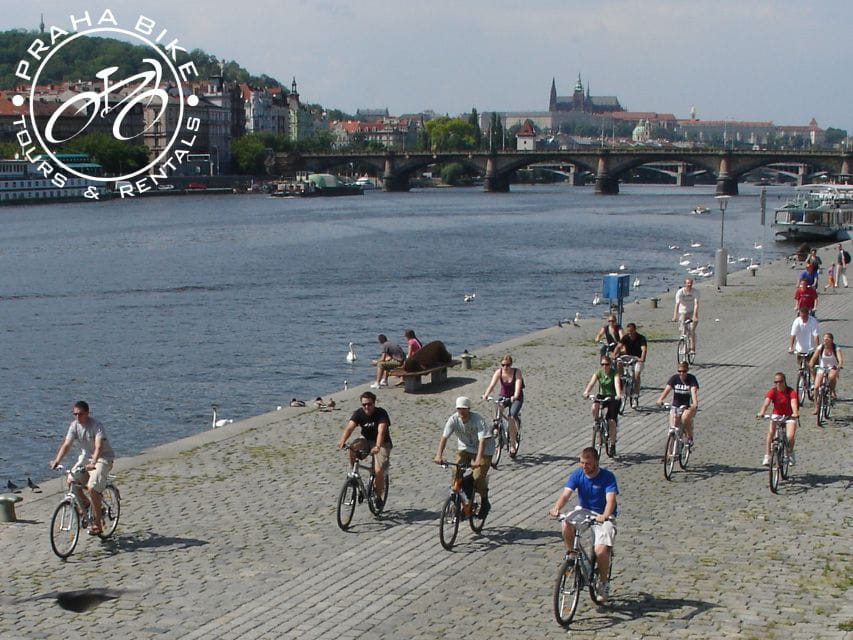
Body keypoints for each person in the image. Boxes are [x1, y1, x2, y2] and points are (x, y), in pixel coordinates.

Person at [548, 447, 618, 603]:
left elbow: (611, 500)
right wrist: (557, 508)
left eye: (588, 463)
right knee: (566, 523)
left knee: (600, 551)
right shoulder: (578, 474)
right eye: (582, 463)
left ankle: (604, 583)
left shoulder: (608, 477)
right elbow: (566, 494)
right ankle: (573, 555)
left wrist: (605, 516)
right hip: (584, 511)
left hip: (603, 515)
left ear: (596, 463)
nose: (584, 466)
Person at [48, 401, 116, 535]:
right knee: (71, 480)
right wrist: (57, 460)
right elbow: (67, 444)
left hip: (102, 458)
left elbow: (99, 446)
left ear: (87, 413)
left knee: (92, 488)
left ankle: (98, 524)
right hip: (85, 458)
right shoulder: (74, 426)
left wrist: (94, 462)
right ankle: (86, 504)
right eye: (75, 414)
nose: (77, 417)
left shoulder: (96, 426)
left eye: (80, 414)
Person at [433, 396, 494, 518]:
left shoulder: (477, 420)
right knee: (456, 470)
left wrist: (477, 460)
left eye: (464, 409)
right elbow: (444, 437)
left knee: (478, 476)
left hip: (484, 450)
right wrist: (438, 455)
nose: (461, 411)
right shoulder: (453, 420)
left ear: (469, 409)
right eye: (459, 409)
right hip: (465, 448)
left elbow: (483, 441)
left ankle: (484, 501)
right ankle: (456, 500)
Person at [337, 391, 391, 508]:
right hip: (366, 440)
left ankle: (378, 496)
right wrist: (342, 441)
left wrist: (377, 446)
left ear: (374, 403)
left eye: (369, 404)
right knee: (352, 448)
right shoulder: (359, 413)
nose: (366, 407)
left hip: (382, 443)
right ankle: (354, 474)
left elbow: (381, 432)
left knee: (378, 470)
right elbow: (349, 428)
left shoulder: (381, 413)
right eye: (364, 404)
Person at [482, 354, 524, 456]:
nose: (505, 367)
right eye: (503, 365)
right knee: (497, 412)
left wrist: (515, 395)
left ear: (511, 364)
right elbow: (492, 385)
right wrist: (486, 395)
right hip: (504, 396)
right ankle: (497, 429)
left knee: (511, 417)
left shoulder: (517, 372)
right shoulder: (499, 372)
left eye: (507, 365)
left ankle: (513, 445)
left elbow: (518, 386)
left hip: (516, 398)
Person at [582, 356, 622, 457]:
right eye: (602, 364)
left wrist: (618, 394)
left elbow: (617, 384)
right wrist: (587, 392)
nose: (605, 366)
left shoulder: (614, 373)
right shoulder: (599, 373)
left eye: (607, 364)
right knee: (594, 407)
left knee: (611, 421)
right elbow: (591, 383)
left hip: (613, 397)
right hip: (602, 395)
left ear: (610, 364)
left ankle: (612, 444)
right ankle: (598, 422)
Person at [756, 372, 799, 466]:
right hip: (776, 415)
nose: (778, 384)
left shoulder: (791, 391)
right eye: (776, 382)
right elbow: (766, 402)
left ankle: (790, 453)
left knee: (790, 436)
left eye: (780, 381)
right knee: (771, 433)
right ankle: (767, 456)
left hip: (789, 415)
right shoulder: (773, 391)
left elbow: (793, 402)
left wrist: (795, 412)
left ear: (784, 381)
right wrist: (762, 412)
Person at [656, 362, 699, 446]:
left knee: (685, 418)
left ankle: (689, 437)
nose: (681, 373)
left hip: (687, 406)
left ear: (687, 370)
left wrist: (694, 404)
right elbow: (667, 390)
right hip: (676, 405)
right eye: (679, 371)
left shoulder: (691, 379)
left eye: (684, 371)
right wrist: (660, 399)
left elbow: (693, 391)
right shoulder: (674, 378)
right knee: (673, 428)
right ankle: (669, 454)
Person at [614, 322, 648, 400]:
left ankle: (635, 394)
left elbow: (644, 350)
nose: (629, 334)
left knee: (636, 376)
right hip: (628, 356)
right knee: (619, 363)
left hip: (637, 358)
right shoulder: (626, 337)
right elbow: (618, 346)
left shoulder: (641, 338)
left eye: (631, 332)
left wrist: (642, 359)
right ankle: (622, 378)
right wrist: (614, 355)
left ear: (635, 330)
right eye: (628, 332)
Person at [810, 332, 843, 407]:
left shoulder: (836, 348)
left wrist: (839, 365)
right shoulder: (820, 347)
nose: (825, 340)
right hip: (822, 368)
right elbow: (814, 357)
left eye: (827, 339)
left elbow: (840, 359)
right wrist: (811, 363)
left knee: (831, 377)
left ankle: (832, 390)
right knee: (816, 387)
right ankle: (816, 405)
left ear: (831, 340)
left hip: (832, 367)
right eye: (824, 339)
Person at [673, 277, 699, 354]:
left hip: (692, 311)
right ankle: (684, 348)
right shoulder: (680, 292)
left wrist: (695, 316)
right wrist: (675, 315)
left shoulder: (695, 292)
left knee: (691, 330)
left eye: (690, 283)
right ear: (684, 284)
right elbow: (677, 304)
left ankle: (692, 348)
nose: (689, 284)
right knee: (683, 330)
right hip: (683, 312)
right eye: (688, 283)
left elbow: (696, 304)